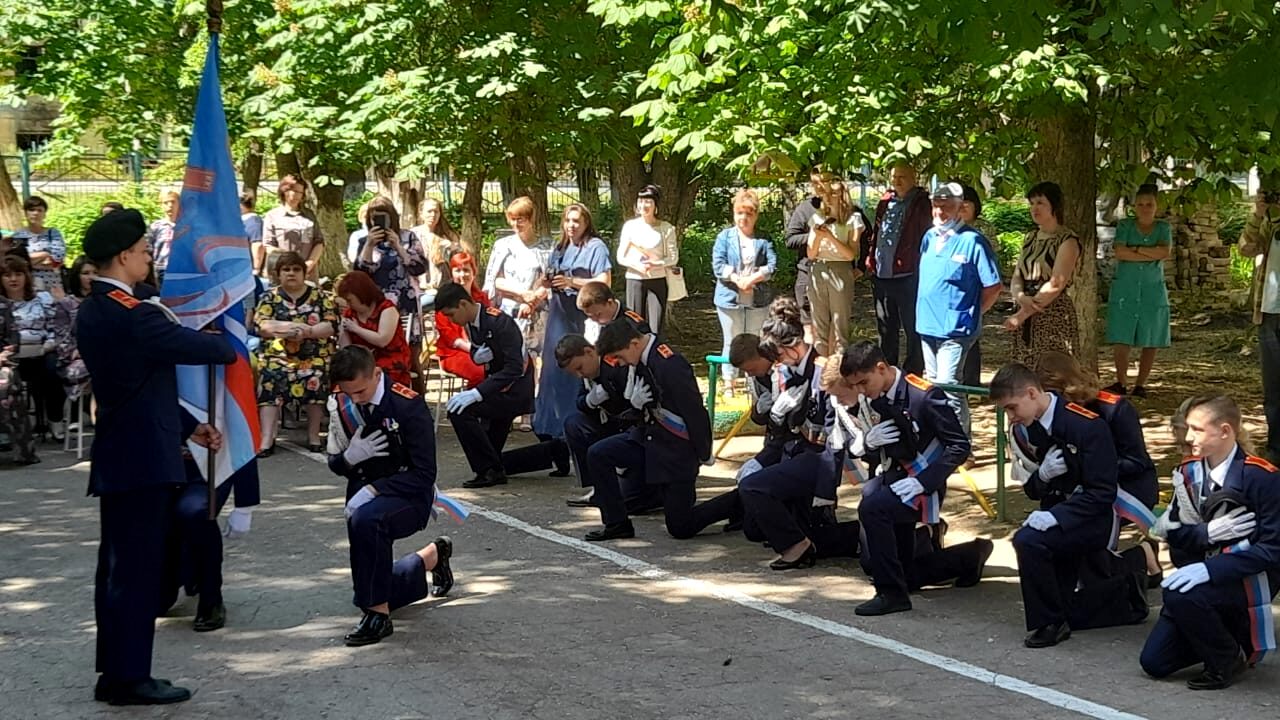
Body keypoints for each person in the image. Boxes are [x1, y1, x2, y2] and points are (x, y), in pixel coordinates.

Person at [76, 208, 235, 705]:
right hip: (142, 460)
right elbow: (202, 349)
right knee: (135, 572)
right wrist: (235, 334)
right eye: (144, 251)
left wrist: (192, 427)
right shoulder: (132, 314)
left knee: (119, 570)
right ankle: (129, 679)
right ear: (123, 257)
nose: (149, 258)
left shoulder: (97, 308)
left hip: (126, 452)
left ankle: (115, 672)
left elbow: (143, 388)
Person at [839, 341, 991, 615]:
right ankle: (967, 557)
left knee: (873, 508)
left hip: (923, 482)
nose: (861, 390)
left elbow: (959, 445)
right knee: (897, 568)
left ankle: (891, 595)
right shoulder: (874, 397)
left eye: (864, 382)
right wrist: (867, 444)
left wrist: (924, 482)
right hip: (893, 477)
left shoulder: (924, 395)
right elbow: (882, 451)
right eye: (856, 386)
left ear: (881, 368)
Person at [1141, 395, 1280, 690]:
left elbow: (1272, 550)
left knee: (1181, 597)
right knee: (1154, 662)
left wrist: (1213, 570)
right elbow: (1175, 537)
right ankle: (1226, 634)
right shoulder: (1189, 474)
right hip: (1200, 575)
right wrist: (1207, 534)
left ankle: (1227, 659)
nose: (1188, 437)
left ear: (1226, 431)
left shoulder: (1263, 478)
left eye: (1198, 429)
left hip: (1247, 580)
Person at [324, 345, 454, 647]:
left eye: (360, 391)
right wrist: (350, 459)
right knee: (370, 585)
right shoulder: (341, 403)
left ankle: (379, 617)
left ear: (377, 374)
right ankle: (429, 558)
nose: (355, 398)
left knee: (368, 522)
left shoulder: (407, 406)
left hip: (409, 495)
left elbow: (424, 474)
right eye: (348, 392)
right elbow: (335, 462)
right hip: (361, 493)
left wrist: (373, 490)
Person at [992, 363, 1118, 648]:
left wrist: (1058, 517)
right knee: (1032, 543)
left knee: (1028, 541)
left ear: (1032, 393)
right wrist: (1043, 475)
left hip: (1090, 519)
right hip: (1054, 513)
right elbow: (1032, 490)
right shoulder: (1029, 429)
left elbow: (1102, 492)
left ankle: (1050, 621)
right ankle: (1056, 613)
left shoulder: (1085, 425)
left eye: (1012, 408)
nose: (1011, 417)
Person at [1033, 351, 1156, 629]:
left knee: (1090, 546)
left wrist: (1091, 468)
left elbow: (1137, 460)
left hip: (1126, 488)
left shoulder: (1114, 408)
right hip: (1082, 488)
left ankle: (1133, 566)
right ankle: (1137, 558)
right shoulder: (1048, 416)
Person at [735, 306, 854, 568]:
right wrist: (777, 420)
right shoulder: (787, 371)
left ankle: (796, 548)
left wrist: (826, 490)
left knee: (754, 488)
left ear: (794, 346)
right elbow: (784, 429)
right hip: (792, 453)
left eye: (778, 355)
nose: (776, 362)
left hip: (819, 459)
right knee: (758, 529)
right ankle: (813, 541)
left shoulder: (822, 372)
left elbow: (834, 434)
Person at [584, 320, 713, 541]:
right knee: (599, 453)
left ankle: (737, 502)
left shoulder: (669, 364)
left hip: (675, 451)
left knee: (680, 527)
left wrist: (703, 451)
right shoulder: (640, 360)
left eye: (621, 357)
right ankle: (616, 523)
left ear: (634, 344)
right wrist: (635, 406)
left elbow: (693, 411)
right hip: (648, 440)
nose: (621, 363)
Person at [915, 182, 1002, 429]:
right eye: (936, 206)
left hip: (956, 328)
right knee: (932, 384)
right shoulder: (929, 237)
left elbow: (993, 286)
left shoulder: (973, 241)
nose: (939, 212)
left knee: (948, 383)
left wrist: (974, 312)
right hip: (927, 324)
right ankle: (940, 438)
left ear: (960, 208)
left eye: (946, 207)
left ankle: (961, 444)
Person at [436, 282, 535, 489]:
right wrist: (475, 355)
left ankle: (490, 471)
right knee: (491, 449)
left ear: (463, 304)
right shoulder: (472, 322)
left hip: (514, 390)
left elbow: (515, 368)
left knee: (461, 412)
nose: (452, 320)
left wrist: (477, 393)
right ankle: (551, 454)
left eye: (452, 314)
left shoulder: (499, 322)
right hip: (497, 387)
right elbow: (479, 349)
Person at [534, 203, 611, 437]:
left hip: (583, 314)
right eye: (568, 220)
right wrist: (545, 283)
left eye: (576, 221)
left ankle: (573, 424)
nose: (571, 225)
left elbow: (604, 281)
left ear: (586, 222)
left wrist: (572, 282)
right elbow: (545, 278)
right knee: (553, 368)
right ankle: (548, 426)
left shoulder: (596, 247)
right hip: (558, 311)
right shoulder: (560, 246)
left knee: (576, 365)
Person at [254, 251, 339, 456]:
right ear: (278, 274)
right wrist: (292, 328)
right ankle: (267, 438)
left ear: (304, 273)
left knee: (317, 374)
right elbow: (262, 325)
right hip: (278, 357)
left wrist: (307, 332)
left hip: (313, 356)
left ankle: (313, 435)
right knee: (270, 376)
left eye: (296, 269)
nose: (291, 274)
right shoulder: (269, 297)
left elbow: (330, 325)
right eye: (286, 270)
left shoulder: (320, 296)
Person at [1105, 184, 1171, 398]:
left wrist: (1136, 249)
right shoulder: (1125, 225)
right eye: (1140, 204)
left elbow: (1164, 252)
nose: (1144, 208)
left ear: (1156, 206)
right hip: (1126, 287)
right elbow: (1120, 252)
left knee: (1151, 337)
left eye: (1149, 204)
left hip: (1153, 289)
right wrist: (1149, 252)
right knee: (1122, 335)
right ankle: (1121, 382)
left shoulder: (1163, 227)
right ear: (1134, 206)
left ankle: (1141, 384)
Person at [1004, 182, 1081, 364]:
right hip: (1026, 307)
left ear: (1054, 206)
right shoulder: (1030, 238)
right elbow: (1017, 275)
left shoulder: (1067, 240)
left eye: (1040, 203)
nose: (1034, 208)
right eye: (1031, 203)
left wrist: (1022, 315)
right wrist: (1021, 297)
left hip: (1052, 311)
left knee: (1053, 369)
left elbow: (1056, 283)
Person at [866, 163, 930, 375]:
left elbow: (925, 237)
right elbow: (877, 232)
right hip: (882, 274)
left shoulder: (922, 203)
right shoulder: (885, 201)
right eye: (894, 177)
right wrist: (870, 259)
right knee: (885, 326)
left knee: (912, 327)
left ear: (914, 177)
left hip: (908, 275)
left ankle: (913, 372)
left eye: (902, 176)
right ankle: (887, 369)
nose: (897, 181)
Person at [712, 189, 777, 397]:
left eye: (748, 214)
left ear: (756, 215)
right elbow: (718, 265)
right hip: (729, 299)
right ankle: (729, 383)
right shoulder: (724, 237)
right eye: (740, 213)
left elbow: (773, 265)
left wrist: (753, 279)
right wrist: (737, 279)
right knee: (731, 341)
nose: (743, 218)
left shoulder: (764, 238)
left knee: (755, 341)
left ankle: (754, 383)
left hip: (758, 299)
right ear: (733, 214)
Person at [1237, 187, 1280, 465]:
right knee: (1273, 390)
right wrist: (1259, 214)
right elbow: (1245, 248)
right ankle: (1276, 449)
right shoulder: (1271, 226)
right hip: (1269, 315)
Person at [352, 196, 428, 346]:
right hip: (377, 302)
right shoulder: (364, 242)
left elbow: (419, 267)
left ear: (392, 217)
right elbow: (359, 275)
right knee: (381, 344)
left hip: (406, 299)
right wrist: (369, 246)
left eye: (383, 217)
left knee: (410, 345)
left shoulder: (408, 237)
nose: (378, 222)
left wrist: (399, 247)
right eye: (374, 218)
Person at [3, 255, 64, 440]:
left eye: (18, 274)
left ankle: (55, 419)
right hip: (9, 355)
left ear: (27, 276)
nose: (13, 279)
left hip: (42, 350)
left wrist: (47, 345)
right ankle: (8, 429)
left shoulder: (42, 298)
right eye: (7, 275)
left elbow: (56, 327)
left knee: (54, 369)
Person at [482, 196, 553, 347]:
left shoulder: (546, 246)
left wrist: (532, 302)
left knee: (537, 357)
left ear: (530, 219)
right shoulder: (502, 246)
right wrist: (522, 293)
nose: (515, 224)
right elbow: (495, 280)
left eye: (520, 219)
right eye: (512, 219)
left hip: (538, 311)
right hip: (509, 310)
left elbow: (549, 281)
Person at [806, 179, 863, 357]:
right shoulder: (816, 217)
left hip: (841, 270)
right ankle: (820, 371)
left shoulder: (853, 219)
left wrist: (830, 237)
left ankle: (838, 370)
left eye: (833, 194)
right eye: (826, 193)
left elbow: (850, 255)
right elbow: (810, 253)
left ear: (842, 196)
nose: (828, 198)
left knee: (840, 326)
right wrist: (818, 236)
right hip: (818, 269)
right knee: (819, 324)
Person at [615, 185, 679, 337]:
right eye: (641, 201)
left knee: (656, 326)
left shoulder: (666, 228)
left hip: (658, 279)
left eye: (648, 201)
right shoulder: (630, 226)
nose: (644, 205)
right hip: (635, 279)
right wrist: (636, 266)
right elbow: (620, 256)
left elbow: (673, 257)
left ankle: (654, 357)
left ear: (656, 205)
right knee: (635, 323)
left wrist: (656, 264)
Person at [337, 270, 412, 386]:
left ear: (361, 294)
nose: (348, 304)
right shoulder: (350, 314)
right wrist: (342, 330)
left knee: (372, 375)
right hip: (362, 361)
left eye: (350, 300)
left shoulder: (387, 309)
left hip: (390, 357)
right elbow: (346, 347)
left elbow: (382, 340)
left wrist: (356, 329)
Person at [784, 167, 832, 342]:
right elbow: (790, 239)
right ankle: (812, 366)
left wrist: (858, 268)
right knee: (809, 329)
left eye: (824, 181)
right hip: (808, 273)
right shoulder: (805, 208)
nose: (819, 187)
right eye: (815, 183)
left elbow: (864, 237)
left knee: (835, 327)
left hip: (837, 276)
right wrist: (814, 235)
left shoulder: (846, 207)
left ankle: (833, 367)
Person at [956, 184, 997, 387]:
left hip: (978, 288)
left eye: (967, 203)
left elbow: (990, 264)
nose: (962, 207)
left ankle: (971, 383)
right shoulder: (946, 228)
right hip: (953, 292)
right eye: (959, 202)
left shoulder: (983, 229)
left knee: (971, 337)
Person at [434, 251, 489, 388]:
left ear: (474, 273)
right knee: (481, 372)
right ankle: (472, 407)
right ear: (451, 273)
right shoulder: (444, 298)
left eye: (466, 270)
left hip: (482, 348)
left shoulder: (482, 298)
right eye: (457, 270)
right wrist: (474, 350)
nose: (462, 275)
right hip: (453, 352)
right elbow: (450, 337)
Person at [410, 197, 471, 311]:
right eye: (429, 211)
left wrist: (452, 247)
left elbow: (461, 260)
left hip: (444, 288)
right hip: (421, 289)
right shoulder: (413, 235)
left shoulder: (448, 235)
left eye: (436, 211)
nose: (433, 215)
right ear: (421, 213)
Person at [260, 174, 324, 280]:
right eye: (292, 190)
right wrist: (290, 262)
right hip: (282, 271)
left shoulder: (309, 215)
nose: (295, 195)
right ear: (283, 191)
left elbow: (319, 242)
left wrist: (309, 263)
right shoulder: (272, 216)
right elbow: (268, 246)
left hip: (308, 272)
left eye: (300, 192)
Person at [52, 256, 96, 400]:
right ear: (77, 276)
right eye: (86, 273)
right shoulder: (65, 304)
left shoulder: (106, 302)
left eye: (95, 273)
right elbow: (62, 339)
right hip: (74, 359)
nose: (91, 277)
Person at [0, 291, 36, 464]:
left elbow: (13, 340)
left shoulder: (4, 305)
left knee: (6, 381)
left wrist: (3, 356)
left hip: (1, 363)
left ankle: (22, 449)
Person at [9, 195, 66, 292]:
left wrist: (30, 262)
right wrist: (45, 254)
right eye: (32, 210)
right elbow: (17, 261)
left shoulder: (53, 233)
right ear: (26, 213)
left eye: (40, 210)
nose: (35, 213)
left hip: (52, 285)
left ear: (44, 214)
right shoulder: (19, 235)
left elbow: (58, 258)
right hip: (28, 286)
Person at [577, 280, 652, 343]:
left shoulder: (634, 325)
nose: (594, 320)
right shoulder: (591, 322)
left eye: (598, 314)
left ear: (610, 303)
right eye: (590, 316)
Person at [145, 190, 179, 287]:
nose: (170, 206)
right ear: (161, 205)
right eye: (166, 203)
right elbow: (148, 248)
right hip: (161, 268)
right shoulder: (156, 227)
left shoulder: (186, 226)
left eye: (173, 202)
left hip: (180, 269)